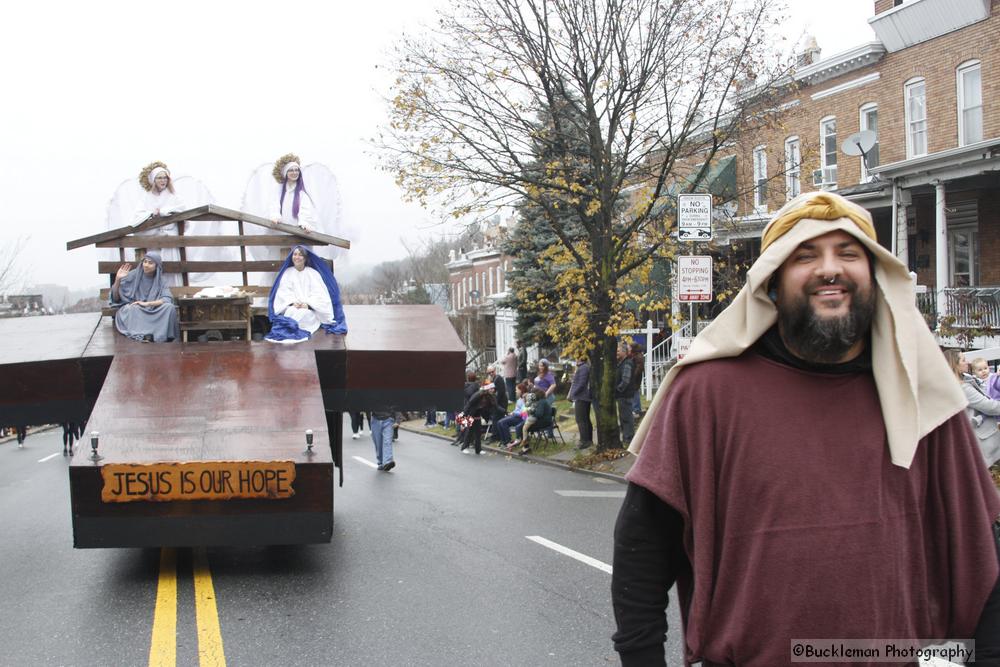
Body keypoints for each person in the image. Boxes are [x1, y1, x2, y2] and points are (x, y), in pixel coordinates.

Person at [612, 192, 1000, 666]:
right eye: (806, 255)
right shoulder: (706, 394)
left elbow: (984, 553)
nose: (829, 269)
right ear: (773, 281)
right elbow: (644, 546)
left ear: (875, 278)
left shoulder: (924, 396)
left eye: (849, 253)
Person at [264, 245, 347, 343]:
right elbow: (284, 292)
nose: (297, 257)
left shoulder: (313, 273)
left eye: (300, 255)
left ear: (305, 258)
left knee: (304, 314)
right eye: (295, 254)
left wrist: (308, 304)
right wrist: (292, 302)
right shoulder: (287, 272)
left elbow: (319, 294)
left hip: (308, 309)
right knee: (291, 313)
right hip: (292, 306)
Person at [946, 349, 1000, 467]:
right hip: (984, 438)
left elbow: (988, 390)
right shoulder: (963, 388)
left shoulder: (966, 378)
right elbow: (990, 407)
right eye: (963, 360)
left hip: (986, 433)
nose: (968, 362)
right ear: (955, 365)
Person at [110, 252, 179, 343]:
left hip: (152, 307)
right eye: (145, 262)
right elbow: (116, 298)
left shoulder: (161, 280)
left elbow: (167, 299)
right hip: (136, 307)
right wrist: (118, 279)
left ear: (156, 266)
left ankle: (161, 336)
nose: (146, 265)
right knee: (133, 309)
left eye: (150, 263)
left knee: (169, 308)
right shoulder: (133, 275)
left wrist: (148, 303)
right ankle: (143, 335)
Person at [460, 385, 498, 455]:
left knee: (478, 433)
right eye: (491, 389)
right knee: (469, 432)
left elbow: (494, 406)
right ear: (487, 390)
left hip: (478, 415)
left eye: (493, 389)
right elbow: (469, 404)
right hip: (471, 414)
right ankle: (464, 447)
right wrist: (464, 415)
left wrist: (504, 412)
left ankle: (478, 450)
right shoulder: (478, 395)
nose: (492, 390)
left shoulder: (490, 397)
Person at [494, 381, 531, 447]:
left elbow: (523, 413)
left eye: (517, 390)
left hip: (520, 418)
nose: (516, 391)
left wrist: (514, 413)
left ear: (521, 390)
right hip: (515, 416)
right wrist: (512, 412)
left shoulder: (525, 399)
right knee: (499, 422)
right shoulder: (519, 399)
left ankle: (508, 441)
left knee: (503, 422)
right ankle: (503, 441)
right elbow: (517, 409)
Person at [567, 356, 593, 449]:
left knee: (581, 419)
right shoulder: (584, 367)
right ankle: (588, 440)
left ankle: (584, 441)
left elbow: (581, 383)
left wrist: (572, 394)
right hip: (584, 396)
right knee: (585, 419)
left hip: (582, 397)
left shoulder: (583, 368)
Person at [614, 343, 635, 443]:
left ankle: (628, 439)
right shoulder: (621, 363)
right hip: (622, 395)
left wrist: (618, 390)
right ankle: (626, 438)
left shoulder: (627, 363)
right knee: (623, 418)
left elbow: (625, 380)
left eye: (618, 351)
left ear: (624, 352)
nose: (616, 353)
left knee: (626, 418)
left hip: (625, 395)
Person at [628, 342, 644, 416]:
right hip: (635, 376)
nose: (628, 348)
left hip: (636, 377)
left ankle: (636, 409)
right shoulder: (634, 355)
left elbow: (639, 368)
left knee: (635, 392)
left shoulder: (638, 356)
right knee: (634, 392)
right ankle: (636, 409)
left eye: (630, 347)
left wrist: (633, 375)